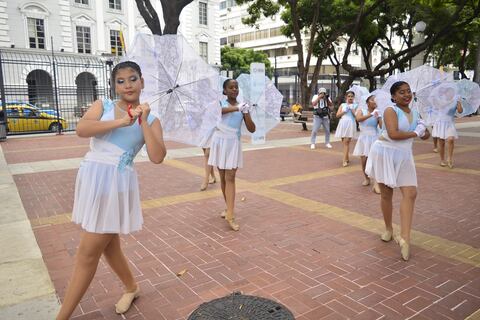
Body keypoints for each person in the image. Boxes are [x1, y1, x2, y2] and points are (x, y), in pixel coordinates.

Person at [56, 61, 167, 320]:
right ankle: (132, 287)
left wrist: (142, 122)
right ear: (114, 86)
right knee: (109, 246)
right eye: (121, 80)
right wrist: (121, 122)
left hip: (115, 183)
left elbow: (157, 156)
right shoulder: (102, 106)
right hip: (93, 178)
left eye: (133, 78)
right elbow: (82, 129)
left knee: (88, 252)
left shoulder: (152, 119)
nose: (127, 85)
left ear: (142, 82)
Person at [365, 81, 430, 261]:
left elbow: (426, 136)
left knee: (411, 193)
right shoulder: (390, 111)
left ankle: (405, 239)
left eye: (409, 91)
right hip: (385, 152)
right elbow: (393, 134)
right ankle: (388, 228)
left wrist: (423, 129)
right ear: (394, 96)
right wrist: (416, 133)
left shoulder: (416, 112)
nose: (406, 95)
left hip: (405, 156)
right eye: (402, 92)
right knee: (386, 194)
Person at [208, 79, 256, 231]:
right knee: (222, 177)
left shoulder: (242, 107)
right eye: (231, 87)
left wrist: (246, 112)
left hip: (233, 143)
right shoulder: (220, 104)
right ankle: (229, 208)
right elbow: (218, 112)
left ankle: (230, 214)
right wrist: (236, 108)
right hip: (219, 141)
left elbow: (252, 129)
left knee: (231, 177)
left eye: (236, 87)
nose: (234, 89)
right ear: (225, 91)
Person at [353, 94, 381, 194]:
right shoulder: (361, 110)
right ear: (368, 102)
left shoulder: (377, 112)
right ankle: (367, 178)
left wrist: (380, 117)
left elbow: (381, 126)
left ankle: (376, 183)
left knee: (375, 161)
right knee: (364, 161)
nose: (375, 101)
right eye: (373, 100)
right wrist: (371, 114)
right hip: (364, 137)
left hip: (374, 137)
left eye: (376, 100)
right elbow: (358, 119)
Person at [432, 100, 463, 168]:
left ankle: (449, 158)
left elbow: (460, 111)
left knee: (451, 139)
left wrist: (459, 104)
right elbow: (435, 108)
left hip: (450, 123)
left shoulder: (456, 100)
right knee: (441, 143)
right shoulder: (440, 98)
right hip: (440, 122)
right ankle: (442, 160)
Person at [335, 91, 358, 166]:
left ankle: (344, 160)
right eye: (349, 96)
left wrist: (352, 110)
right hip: (343, 123)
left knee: (346, 142)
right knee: (344, 142)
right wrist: (344, 111)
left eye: (352, 96)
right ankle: (347, 157)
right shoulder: (343, 105)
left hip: (351, 123)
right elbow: (337, 115)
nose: (350, 98)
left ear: (354, 97)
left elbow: (357, 117)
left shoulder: (356, 105)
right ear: (346, 97)